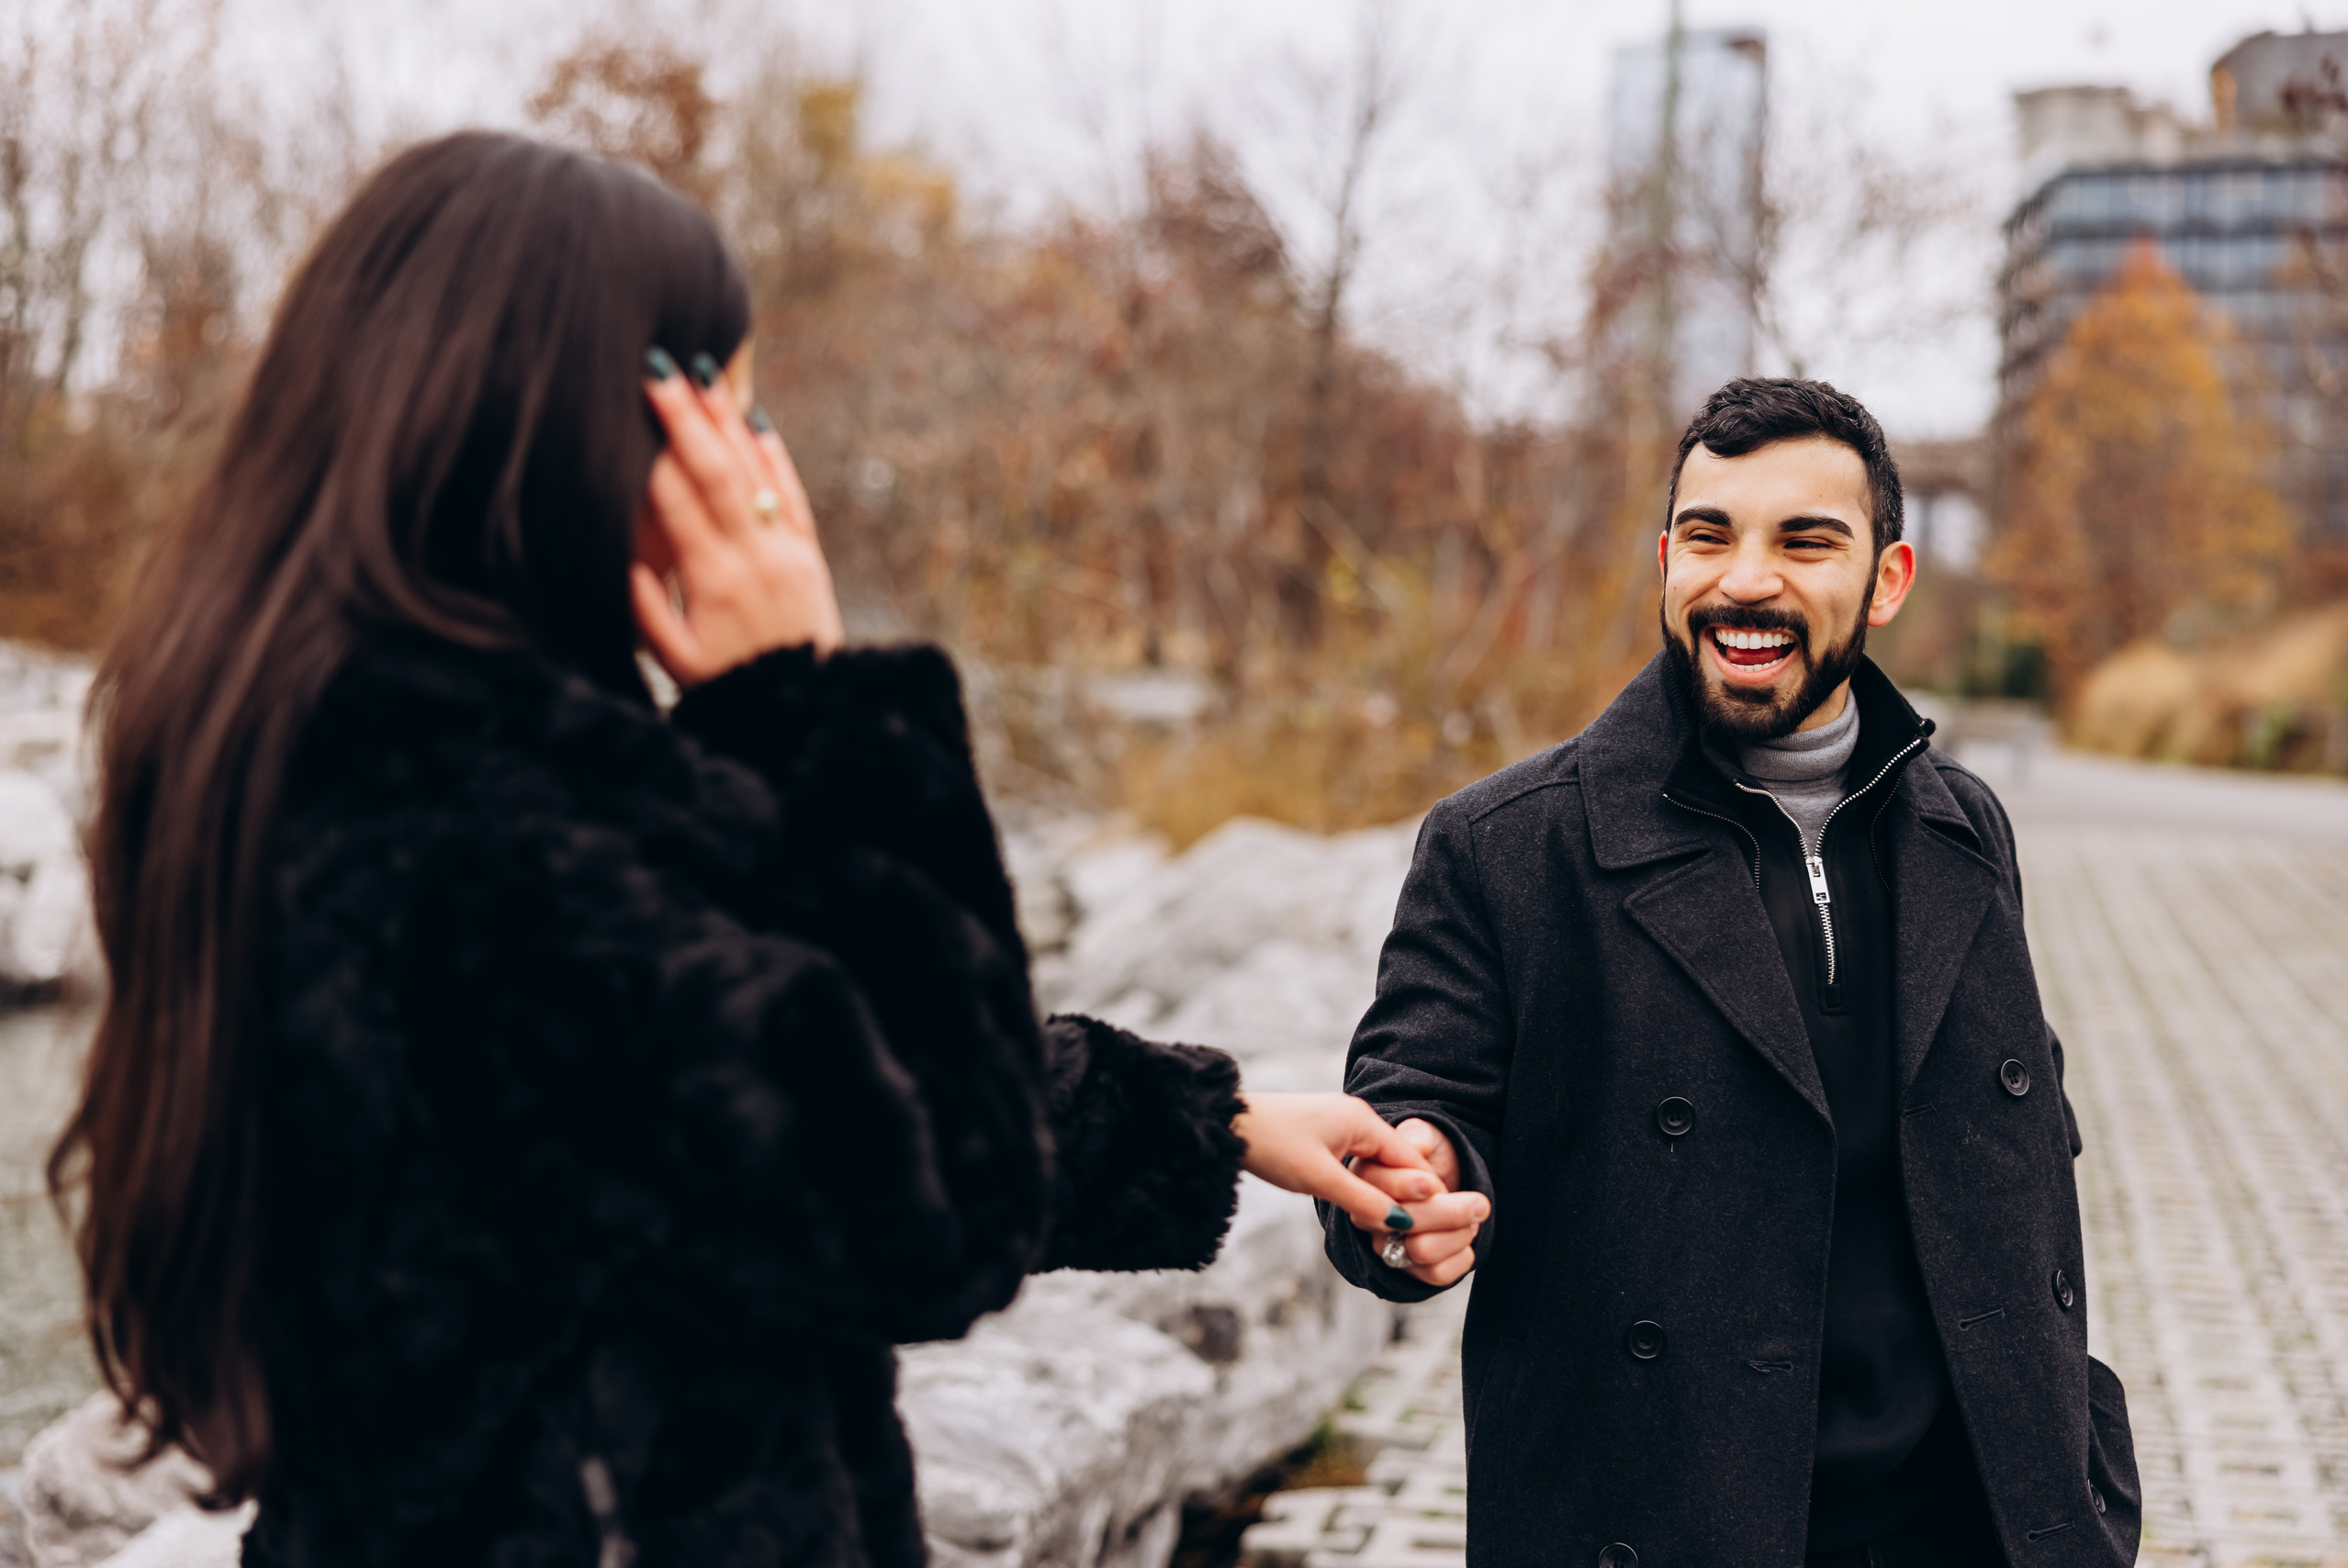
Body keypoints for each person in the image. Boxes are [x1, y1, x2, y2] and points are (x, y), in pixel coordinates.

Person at [46, 132, 1482, 1568]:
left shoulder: (371, 745)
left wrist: (1214, 1121)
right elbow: (918, 1195)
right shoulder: (468, 827)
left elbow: (776, 1082)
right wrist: (817, 708)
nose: (754, 468)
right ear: (603, 430)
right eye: (726, 409)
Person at [1320, 379, 2140, 1567]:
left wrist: (2087, 1483)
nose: (1746, 580)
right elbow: (1411, 1108)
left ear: (1889, 580)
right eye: (1709, 535)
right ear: (1666, 561)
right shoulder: (1506, 846)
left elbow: (2016, 1176)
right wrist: (1409, 1190)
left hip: (1978, 1524)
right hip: (1662, 1525)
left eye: (1805, 541)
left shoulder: (1968, 830)